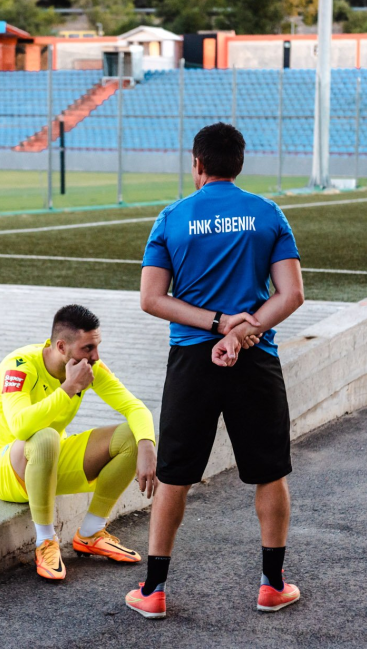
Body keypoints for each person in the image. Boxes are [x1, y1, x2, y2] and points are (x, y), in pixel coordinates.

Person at [125, 122, 305, 618]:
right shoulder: (268, 213)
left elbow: (151, 299)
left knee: (174, 476)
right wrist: (241, 332)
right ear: (239, 164)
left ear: (198, 164)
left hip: (191, 362)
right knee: (270, 473)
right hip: (255, 358)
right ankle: (272, 586)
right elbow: (291, 294)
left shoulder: (172, 217)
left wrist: (217, 325)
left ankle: (153, 591)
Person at [0, 304, 158, 581]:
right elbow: (20, 427)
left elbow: (134, 407)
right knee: (45, 436)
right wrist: (69, 388)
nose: (95, 356)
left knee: (132, 436)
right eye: (88, 348)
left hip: (48, 462)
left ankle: (91, 532)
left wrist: (147, 446)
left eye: (97, 347)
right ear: (62, 346)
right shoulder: (19, 365)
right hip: (5, 469)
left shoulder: (88, 366)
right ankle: (45, 541)